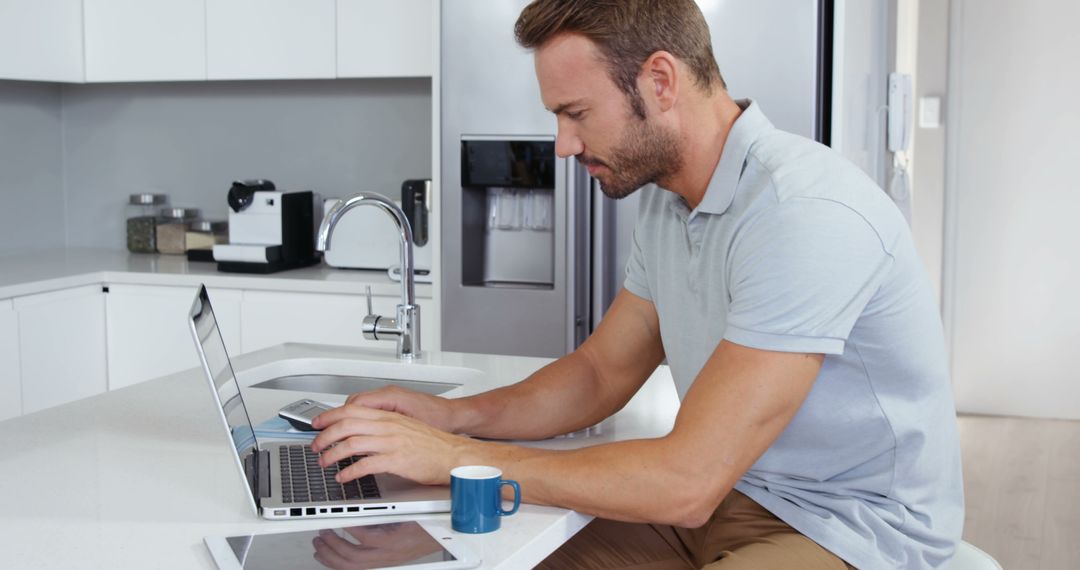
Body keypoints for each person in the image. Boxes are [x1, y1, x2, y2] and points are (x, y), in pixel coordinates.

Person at [311, 1, 964, 568]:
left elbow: (687, 480)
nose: (563, 145)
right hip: (725, 500)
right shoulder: (668, 202)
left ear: (659, 81)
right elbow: (600, 372)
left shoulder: (804, 214)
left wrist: (456, 459)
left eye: (576, 113)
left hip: (852, 534)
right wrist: (454, 418)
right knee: (483, 557)